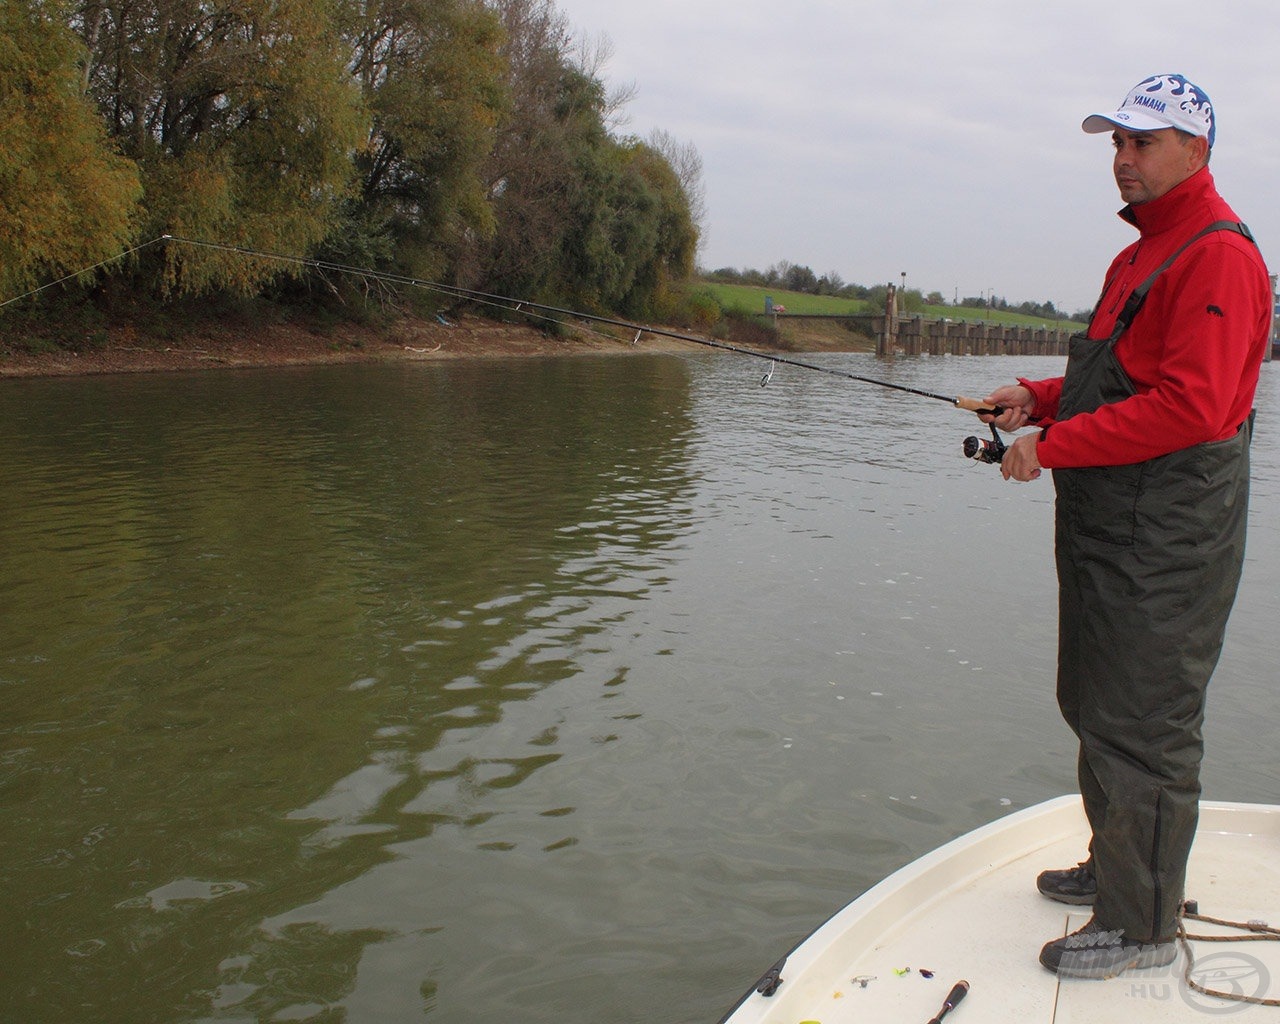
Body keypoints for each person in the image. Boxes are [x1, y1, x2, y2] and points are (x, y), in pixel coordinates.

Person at [980, 74, 1272, 979]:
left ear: (1198, 147)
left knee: (1145, 719)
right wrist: (1034, 398)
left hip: (1169, 542)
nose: (1122, 160)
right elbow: (1123, 378)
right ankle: (1122, 870)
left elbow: (1190, 408)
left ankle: (1143, 922)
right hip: (1113, 534)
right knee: (1098, 703)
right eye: (1116, 143)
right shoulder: (1139, 255)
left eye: (1142, 143)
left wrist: (1054, 444)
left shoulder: (1218, 255)